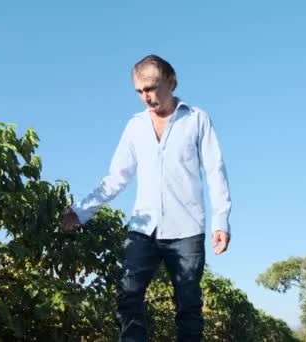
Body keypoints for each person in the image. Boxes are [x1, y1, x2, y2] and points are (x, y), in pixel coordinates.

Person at [62, 54, 231, 341]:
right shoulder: (135, 127)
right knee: (128, 297)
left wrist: (221, 221)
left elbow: (215, 171)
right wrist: (81, 211)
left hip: (187, 230)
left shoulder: (197, 119)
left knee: (188, 307)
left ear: (171, 81)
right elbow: (117, 177)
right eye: (140, 91)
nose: (146, 97)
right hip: (143, 228)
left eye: (151, 88)